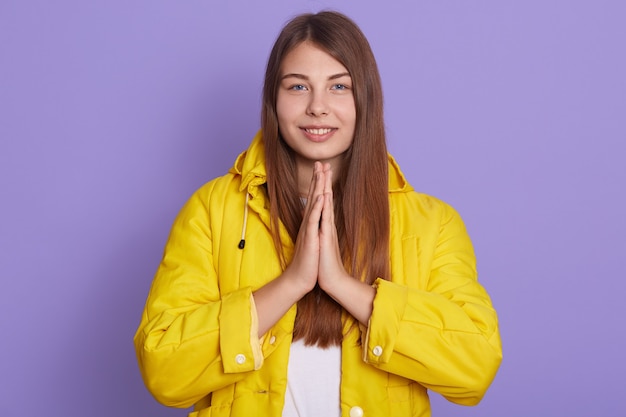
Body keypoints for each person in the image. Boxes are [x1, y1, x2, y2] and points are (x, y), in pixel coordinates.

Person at [134, 10, 502, 417]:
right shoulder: (212, 209)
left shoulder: (432, 223)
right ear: (274, 99)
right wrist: (292, 283)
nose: (318, 107)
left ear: (365, 98)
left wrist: (343, 286)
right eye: (298, 87)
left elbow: (476, 366)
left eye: (338, 86)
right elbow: (163, 370)